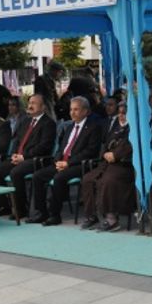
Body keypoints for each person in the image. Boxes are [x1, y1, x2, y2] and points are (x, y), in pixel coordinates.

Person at [32, 96, 104, 226]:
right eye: (71, 109)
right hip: (62, 163)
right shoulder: (69, 127)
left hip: (79, 165)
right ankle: (42, 212)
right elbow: (61, 148)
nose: (72, 113)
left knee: (59, 178)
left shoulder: (93, 128)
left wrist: (68, 163)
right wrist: (58, 161)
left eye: (76, 110)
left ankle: (55, 215)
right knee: (38, 176)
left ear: (86, 111)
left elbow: (90, 152)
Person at [0, 94, 56, 220]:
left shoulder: (48, 123)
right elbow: (17, 140)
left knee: (15, 173)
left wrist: (23, 156)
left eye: (34, 103)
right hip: (18, 157)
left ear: (43, 107)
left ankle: (20, 209)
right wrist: (14, 154)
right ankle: (4, 206)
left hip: (35, 159)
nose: (30, 106)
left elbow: (44, 147)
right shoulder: (26, 121)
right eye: (29, 103)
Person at [80, 103, 135, 232]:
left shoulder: (134, 128)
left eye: (125, 113)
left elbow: (131, 147)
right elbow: (106, 144)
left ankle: (112, 219)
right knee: (88, 178)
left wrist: (116, 154)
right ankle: (92, 215)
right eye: (119, 112)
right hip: (107, 163)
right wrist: (106, 153)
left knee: (107, 181)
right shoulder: (115, 127)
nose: (121, 116)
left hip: (124, 165)